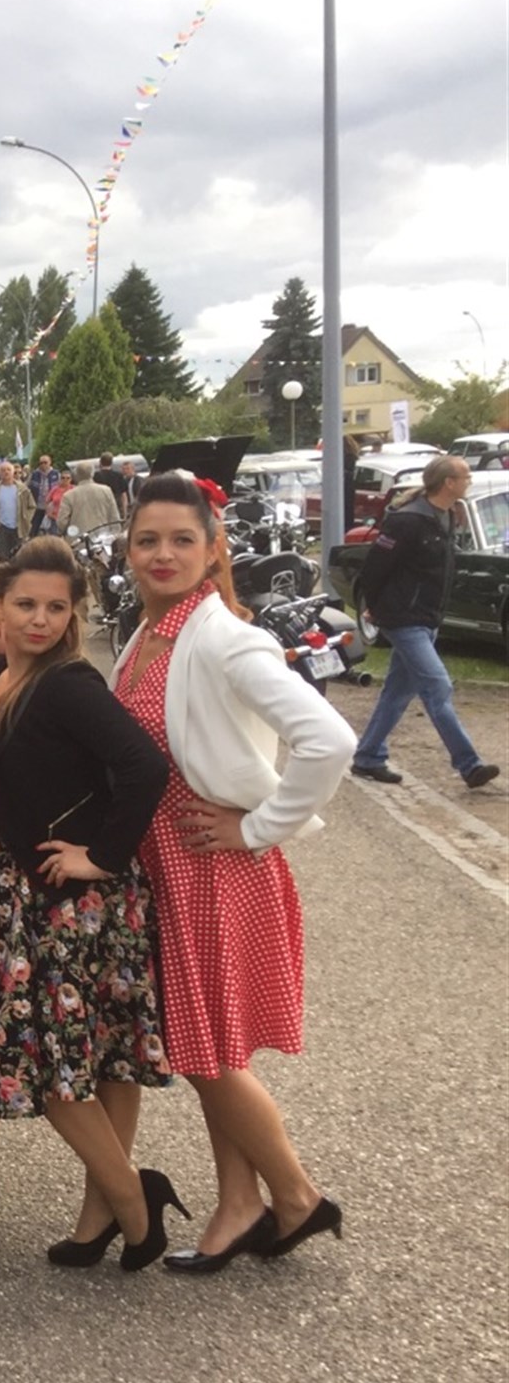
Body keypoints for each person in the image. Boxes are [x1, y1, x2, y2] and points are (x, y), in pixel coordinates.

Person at [113, 473, 355, 1272]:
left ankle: (297, 1196)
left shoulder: (222, 638)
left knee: (203, 1053)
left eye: (182, 539)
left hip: (214, 868)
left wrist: (259, 826)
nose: (164, 553)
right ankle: (239, 1202)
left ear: (213, 548)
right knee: (211, 1045)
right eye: (148, 539)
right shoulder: (151, 633)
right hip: (170, 868)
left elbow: (329, 741)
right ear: (127, 549)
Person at [0, 537, 181, 1268]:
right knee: (92, 1055)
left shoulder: (67, 683)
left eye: (55, 607)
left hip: (72, 902)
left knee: (53, 1064)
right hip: (16, 888)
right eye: (26, 604)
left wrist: (100, 856)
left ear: (73, 614)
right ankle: (101, 1216)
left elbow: (144, 766)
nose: (40, 619)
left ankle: (134, 1203)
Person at [349, 456, 499, 790]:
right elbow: (375, 568)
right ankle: (469, 765)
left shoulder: (446, 515)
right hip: (403, 618)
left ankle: (368, 756)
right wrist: (372, 606)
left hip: (427, 617)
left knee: (397, 693)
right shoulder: (408, 520)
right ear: (448, 482)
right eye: (465, 476)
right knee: (437, 685)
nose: (470, 480)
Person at [58, 466, 123, 536]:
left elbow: (62, 521)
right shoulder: (106, 490)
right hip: (103, 536)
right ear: (92, 474)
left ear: (76, 476)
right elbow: (114, 515)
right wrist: (115, 533)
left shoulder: (68, 495)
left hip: (78, 538)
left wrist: (68, 532)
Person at [0, 461, 34, 562]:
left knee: (19, 557)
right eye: (3, 470)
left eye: (8, 470)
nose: (6, 472)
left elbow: (32, 506)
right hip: (2, 527)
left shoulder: (23, 489)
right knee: (3, 557)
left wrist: (26, 519)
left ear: (13, 472)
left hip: (19, 528)